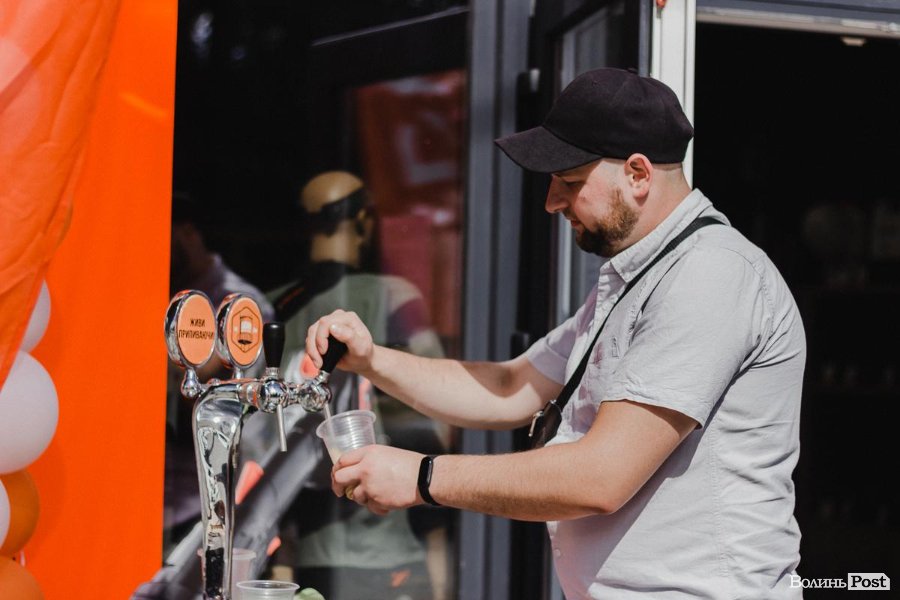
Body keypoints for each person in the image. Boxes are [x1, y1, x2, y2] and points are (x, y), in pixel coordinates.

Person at [304, 68, 807, 599]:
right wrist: (372, 360)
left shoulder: (710, 274)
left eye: (568, 181)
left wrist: (423, 478)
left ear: (638, 174)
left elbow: (601, 477)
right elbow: (509, 388)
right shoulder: (644, 274)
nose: (551, 202)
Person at [267, 171, 450, 600]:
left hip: (305, 542)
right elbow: (437, 418)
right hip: (386, 542)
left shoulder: (274, 309)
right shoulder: (393, 296)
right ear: (365, 220)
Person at [164, 190, 276, 551]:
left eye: (164, 236)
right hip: (162, 492)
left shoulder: (239, 301)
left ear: (188, 232)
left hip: (213, 495)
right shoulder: (161, 292)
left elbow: (205, 379)